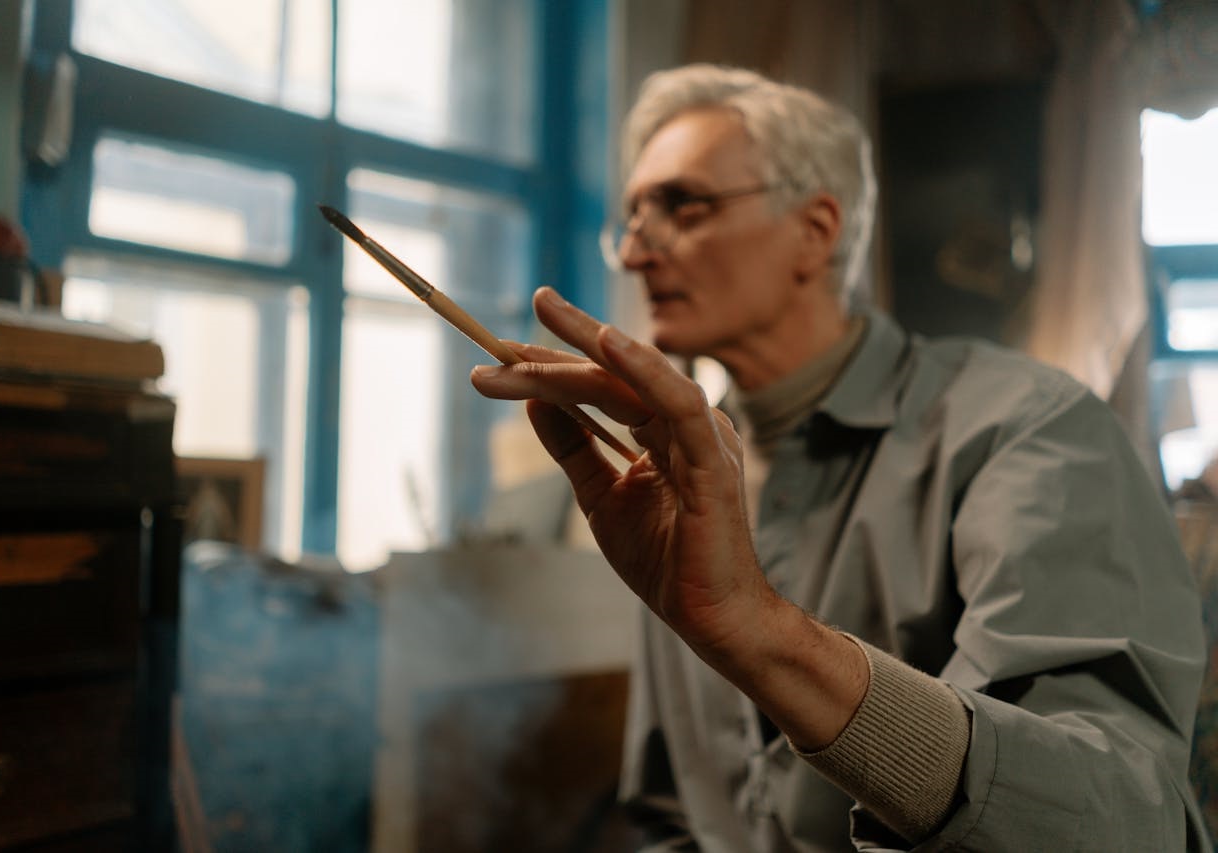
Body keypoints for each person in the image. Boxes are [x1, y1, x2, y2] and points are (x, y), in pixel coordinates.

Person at [470, 63, 1209, 851]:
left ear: (816, 231)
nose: (637, 252)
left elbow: (1123, 821)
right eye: (631, 218)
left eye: (683, 204)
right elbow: (672, 813)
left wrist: (765, 635)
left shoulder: (1028, 431)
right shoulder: (676, 473)